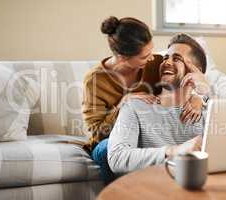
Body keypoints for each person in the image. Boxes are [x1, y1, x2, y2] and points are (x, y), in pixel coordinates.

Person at [82, 16, 206, 184]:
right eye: (144, 56)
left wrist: (199, 96)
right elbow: (97, 131)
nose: (153, 59)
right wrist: (122, 104)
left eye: (152, 52)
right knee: (108, 149)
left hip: (146, 133)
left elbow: (189, 77)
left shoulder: (155, 63)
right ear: (123, 58)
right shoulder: (95, 81)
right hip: (108, 137)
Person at [107, 33, 210, 173]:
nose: (166, 62)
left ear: (196, 71)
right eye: (166, 58)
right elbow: (117, 158)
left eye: (177, 59)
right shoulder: (136, 106)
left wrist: (203, 88)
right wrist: (175, 151)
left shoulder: (208, 109)